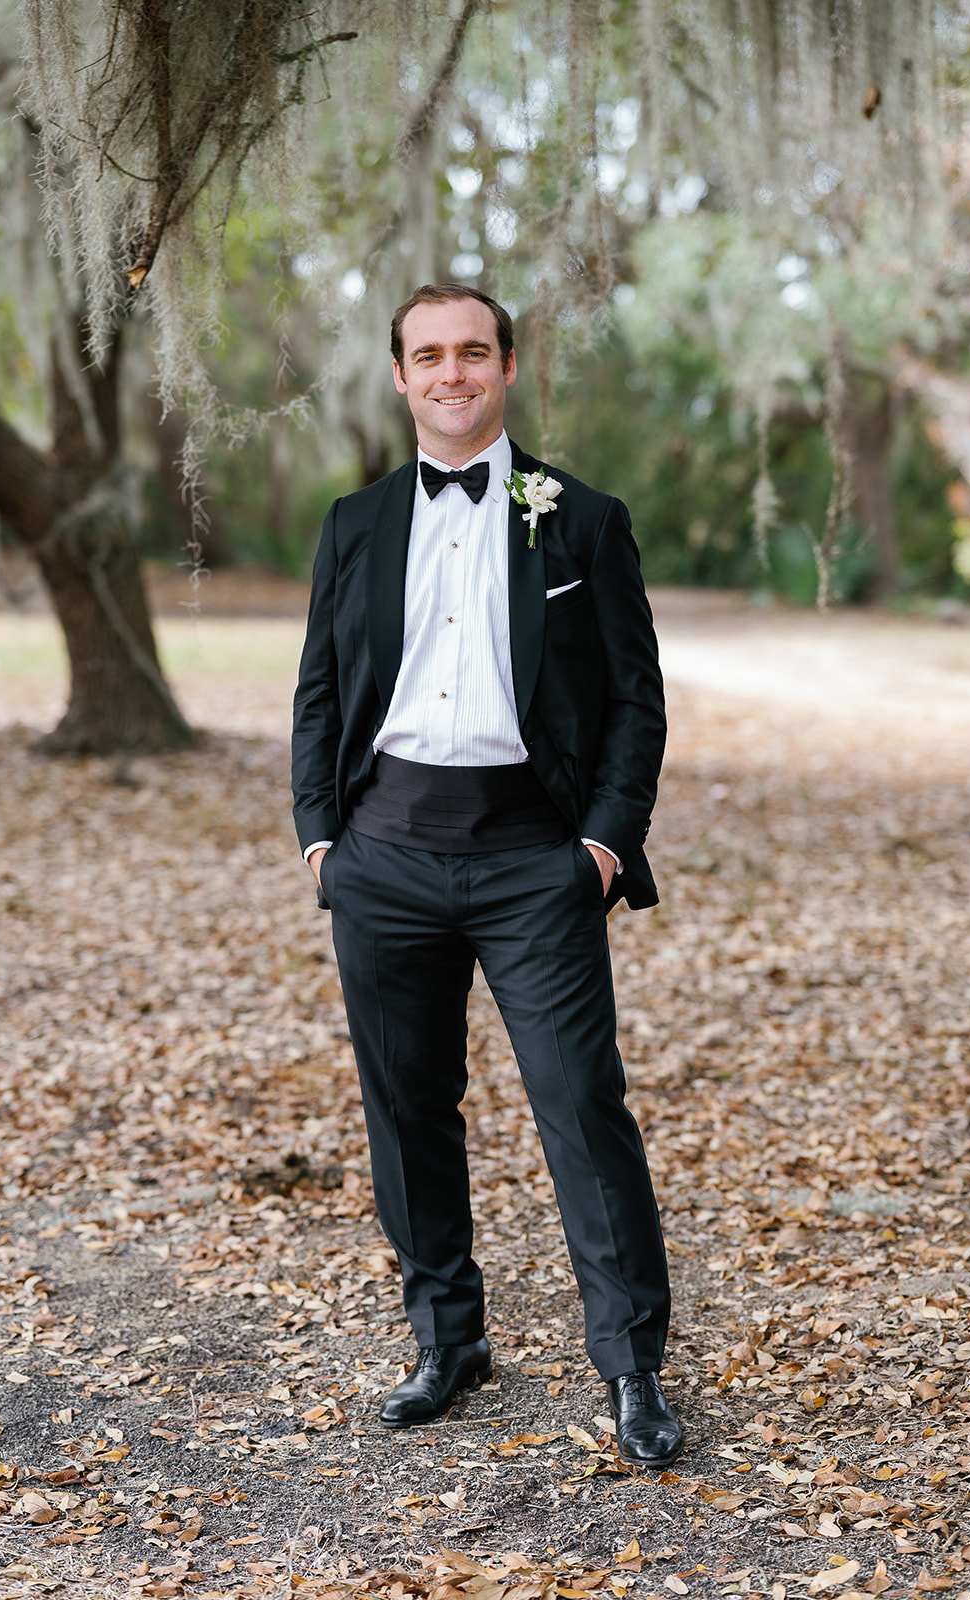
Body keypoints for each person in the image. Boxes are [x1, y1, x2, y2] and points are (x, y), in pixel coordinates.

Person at [291, 283, 682, 1468]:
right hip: (386, 856)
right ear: (402, 377)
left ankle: (632, 1371)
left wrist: (603, 848)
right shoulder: (354, 523)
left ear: (507, 367)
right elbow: (319, 691)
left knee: (578, 1104)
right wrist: (323, 841)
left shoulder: (581, 519)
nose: (451, 372)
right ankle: (448, 1343)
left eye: (473, 351)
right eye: (428, 355)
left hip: (532, 861)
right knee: (408, 1110)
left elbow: (633, 701)